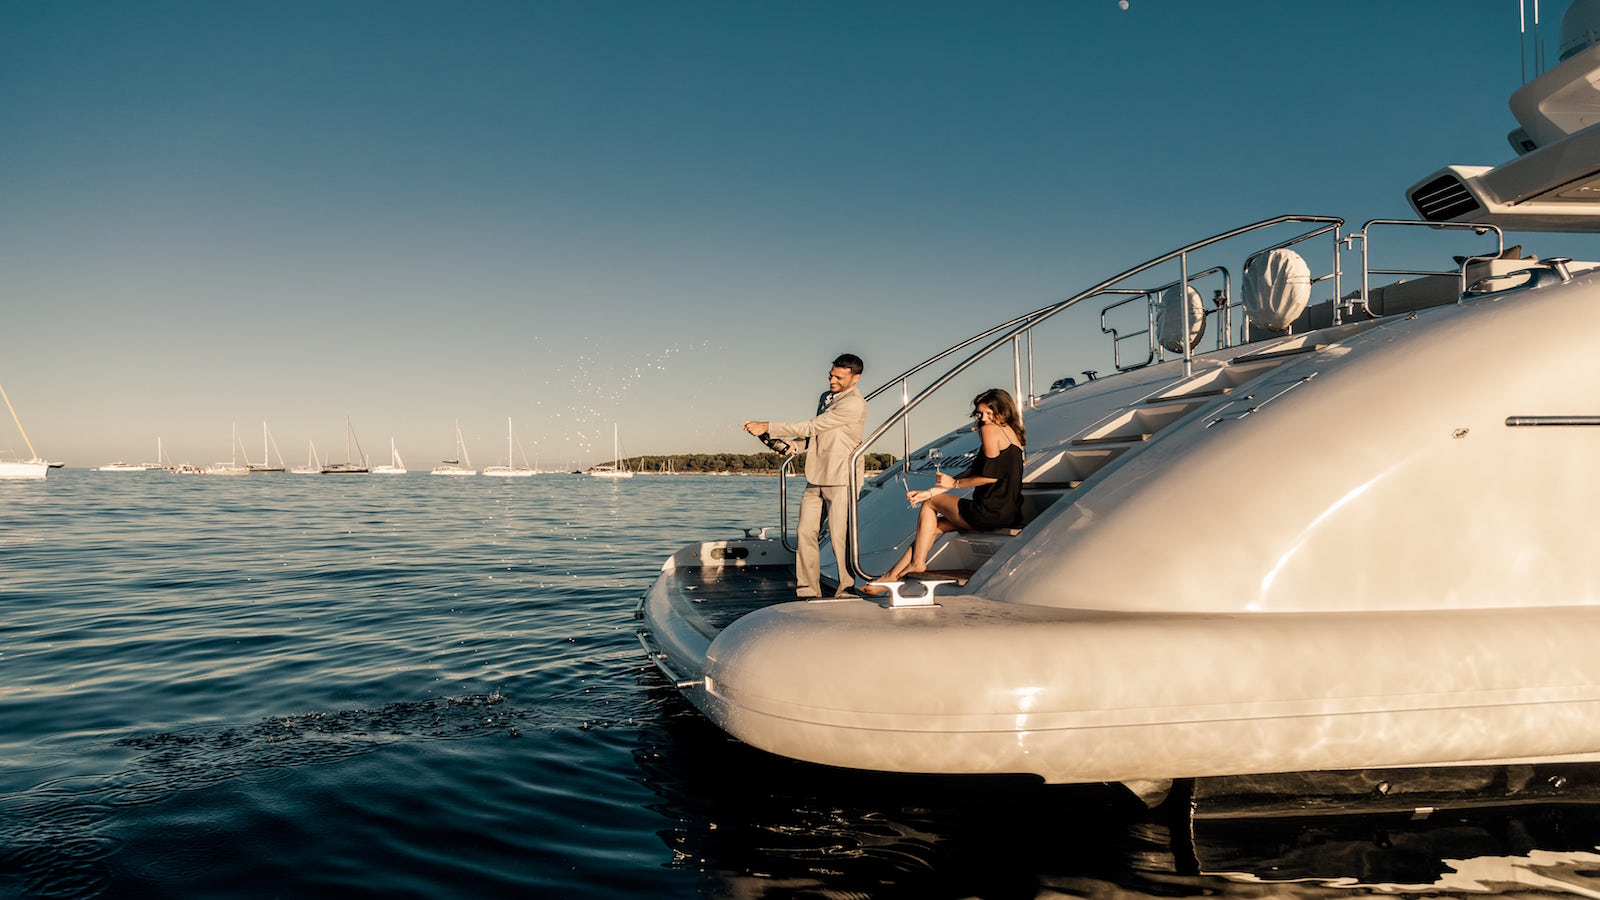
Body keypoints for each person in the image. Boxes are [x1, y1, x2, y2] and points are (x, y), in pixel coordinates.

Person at [861, 388, 1025, 595]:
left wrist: (952, 485)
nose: (984, 419)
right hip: (1010, 512)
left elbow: (991, 477)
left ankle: (917, 563)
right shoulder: (1013, 433)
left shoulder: (989, 430)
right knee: (932, 527)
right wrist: (932, 490)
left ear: (1003, 411)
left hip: (990, 511)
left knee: (930, 504)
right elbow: (979, 470)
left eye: (989, 413)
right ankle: (890, 576)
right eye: (980, 413)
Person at [744, 353, 867, 598]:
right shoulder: (825, 398)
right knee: (804, 533)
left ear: (856, 378)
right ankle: (808, 591)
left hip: (841, 477)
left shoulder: (854, 403)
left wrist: (768, 426)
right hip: (816, 474)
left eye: (839, 377)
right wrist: (795, 445)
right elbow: (816, 434)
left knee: (840, 536)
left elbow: (812, 426)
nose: (832, 380)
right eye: (831, 375)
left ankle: (847, 589)